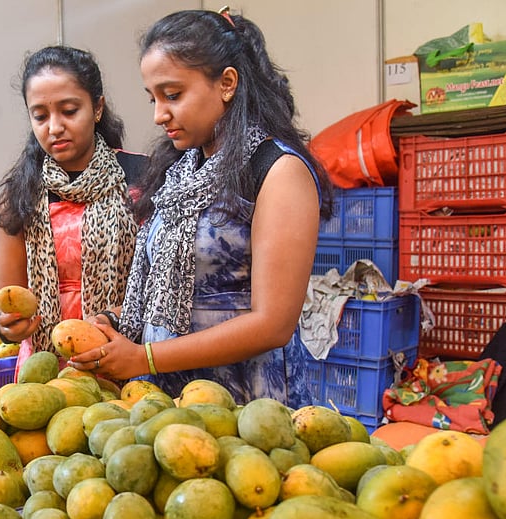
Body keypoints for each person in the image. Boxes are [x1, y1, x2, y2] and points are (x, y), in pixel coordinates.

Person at [70, 9, 335, 407]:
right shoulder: (179, 173)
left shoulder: (278, 171)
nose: (160, 114)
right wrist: (119, 321)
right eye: (153, 98)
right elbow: (183, 291)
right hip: (170, 400)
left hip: (245, 404)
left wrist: (144, 357)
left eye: (173, 95)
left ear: (227, 83)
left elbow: (274, 324)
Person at [0, 46, 147, 363]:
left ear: (97, 108)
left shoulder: (142, 181)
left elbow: (165, 284)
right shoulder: (17, 197)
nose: (54, 127)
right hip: (45, 374)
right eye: (41, 116)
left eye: (69, 111)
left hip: (127, 360)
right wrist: (4, 324)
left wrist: (118, 316)